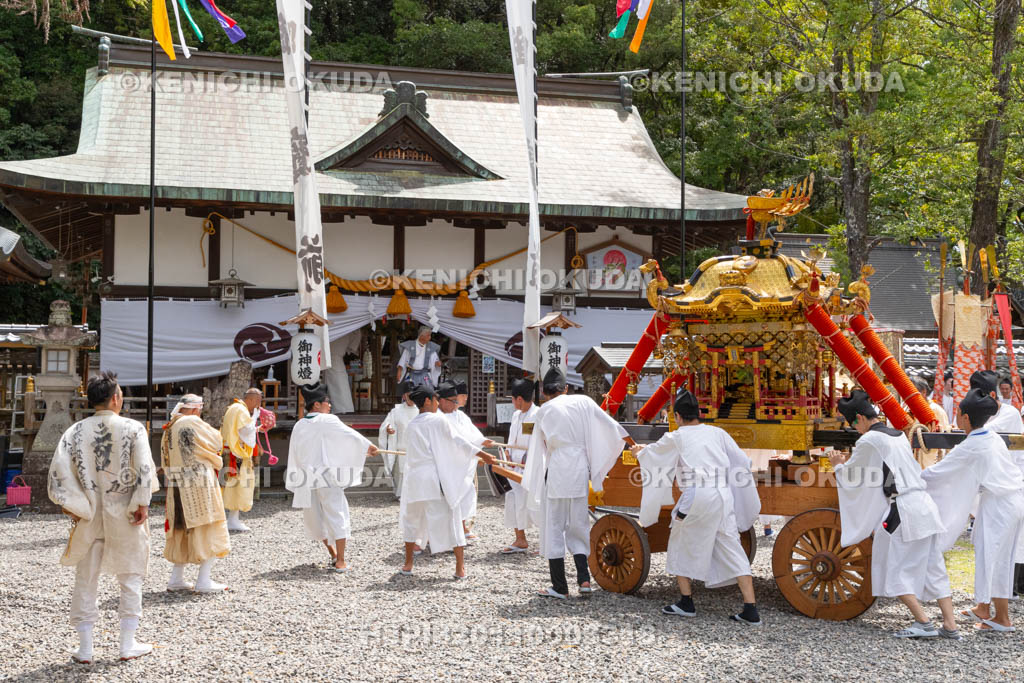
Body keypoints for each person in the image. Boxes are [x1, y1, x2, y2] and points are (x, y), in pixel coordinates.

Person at [47, 372, 159, 663]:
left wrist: (74, 505)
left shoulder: (74, 432)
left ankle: (85, 649)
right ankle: (127, 643)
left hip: (90, 513)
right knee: (130, 576)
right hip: (126, 512)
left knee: (86, 578)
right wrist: (141, 504)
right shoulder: (133, 429)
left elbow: (60, 473)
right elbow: (144, 470)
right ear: (116, 398)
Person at [830, 390, 959, 639]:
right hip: (924, 504)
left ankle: (923, 622)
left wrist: (837, 465)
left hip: (903, 510)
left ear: (859, 417)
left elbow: (853, 476)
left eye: (852, 423)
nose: (853, 428)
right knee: (934, 567)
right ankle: (950, 625)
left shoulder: (869, 441)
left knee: (892, 566)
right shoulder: (899, 434)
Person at [631, 390, 763, 625]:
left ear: (678, 416)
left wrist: (639, 453)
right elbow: (742, 461)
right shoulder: (717, 433)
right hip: (723, 495)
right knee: (732, 546)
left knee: (680, 541)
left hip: (698, 495)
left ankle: (686, 602)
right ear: (698, 414)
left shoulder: (677, 436)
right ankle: (750, 609)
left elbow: (654, 456)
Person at [523, 368, 632, 599]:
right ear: (566, 388)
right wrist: (631, 442)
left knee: (555, 525)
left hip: (558, 467)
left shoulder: (544, 411)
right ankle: (584, 581)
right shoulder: (583, 401)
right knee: (579, 523)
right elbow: (610, 426)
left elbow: (540, 446)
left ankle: (559, 586)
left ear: (544, 393)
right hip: (579, 467)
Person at [922, 388, 1024, 633]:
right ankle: (989, 610)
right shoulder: (990, 436)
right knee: (993, 555)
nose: (956, 416)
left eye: (957, 413)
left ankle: (997, 615)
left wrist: (910, 478)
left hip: (1000, 504)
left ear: (965, 418)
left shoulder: (975, 443)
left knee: (994, 558)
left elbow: (938, 473)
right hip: (1009, 500)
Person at [399, 384, 495, 579]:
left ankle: (408, 564)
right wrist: (481, 454)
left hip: (415, 479)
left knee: (412, 520)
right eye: (435, 399)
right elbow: (456, 441)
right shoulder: (437, 421)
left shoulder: (412, 424)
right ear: (427, 401)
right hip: (434, 478)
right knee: (452, 517)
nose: (437, 403)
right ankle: (460, 568)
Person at [286, 384, 378, 572]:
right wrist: (368, 447)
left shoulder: (299, 424)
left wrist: (295, 477)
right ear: (317, 405)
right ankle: (341, 560)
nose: (330, 406)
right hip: (326, 476)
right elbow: (349, 435)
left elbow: (294, 453)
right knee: (336, 513)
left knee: (315, 518)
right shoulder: (327, 420)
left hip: (305, 477)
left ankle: (334, 554)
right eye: (327, 402)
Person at [162, 394, 231, 593]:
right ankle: (203, 579)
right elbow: (217, 441)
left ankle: (176, 578)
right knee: (207, 525)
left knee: (181, 528)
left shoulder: (171, 426)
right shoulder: (192, 422)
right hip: (198, 481)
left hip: (176, 482)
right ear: (195, 409)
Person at [437, 381, 494, 541]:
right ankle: (443, 534)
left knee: (466, 493)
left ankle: (462, 527)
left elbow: (470, 434)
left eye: (457, 400)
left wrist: (482, 441)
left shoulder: (460, 415)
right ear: (442, 401)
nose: (457, 404)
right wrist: (480, 452)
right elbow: (457, 439)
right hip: (449, 462)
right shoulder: (439, 418)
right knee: (448, 498)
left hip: (463, 462)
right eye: (454, 400)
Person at [502, 379, 538, 554]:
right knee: (515, 500)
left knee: (533, 503)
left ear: (519, 399)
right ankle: (520, 538)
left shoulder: (536, 414)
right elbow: (512, 438)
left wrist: (526, 461)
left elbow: (533, 442)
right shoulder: (516, 415)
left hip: (528, 466)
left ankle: (548, 541)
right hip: (513, 465)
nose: (512, 402)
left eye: (513, 399)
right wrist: (507, 454)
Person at [221, 388, 264, 532]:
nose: (258, 405)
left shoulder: (233, 408)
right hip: (236, 453)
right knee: (238, 486)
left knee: (232, 485)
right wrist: (255, 419)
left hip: (230, 450)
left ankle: (232, 519)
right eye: (258, 402)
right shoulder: (241, 410)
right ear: (251, 399)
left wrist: (256, 428)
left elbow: (242, 430)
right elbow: (246, 430)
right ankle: (233, 519)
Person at [379, 379, 418, 499]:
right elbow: (387, 424)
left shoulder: (421, 410)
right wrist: (388, 428)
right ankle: (401, 494)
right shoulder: (396, 411)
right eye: (408, 394)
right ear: (404, 395)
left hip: (416, 449)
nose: (410, 397)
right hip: (401, 447)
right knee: (401, 472)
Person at [911, 376, 950, 467]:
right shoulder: (908, 408)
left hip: (931, 460)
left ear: (923, 392)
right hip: (912, 458)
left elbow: (944, 438)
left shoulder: (936, 410)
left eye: (911, 391)